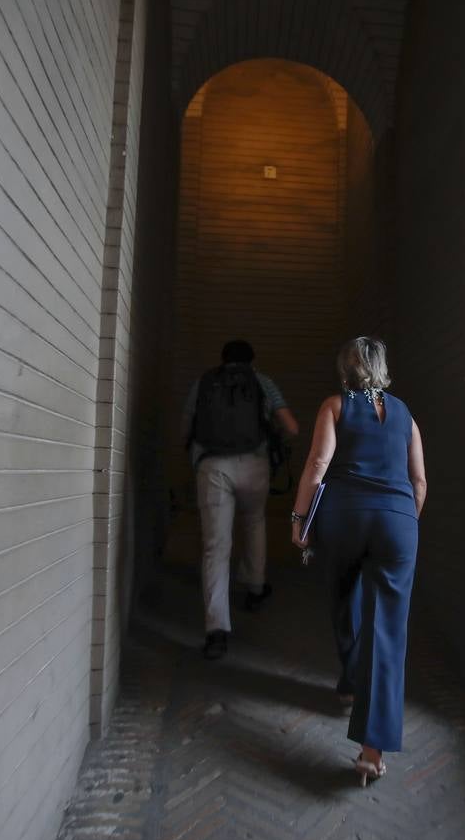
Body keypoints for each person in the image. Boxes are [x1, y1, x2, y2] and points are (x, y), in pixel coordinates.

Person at [290, 337, 427, 786]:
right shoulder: (405, 414)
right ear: (382, 368)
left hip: (344, 519)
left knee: (342, 594)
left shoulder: (335, 405)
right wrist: (402, 520)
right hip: (397, 521)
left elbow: (317, 464)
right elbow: (419, 481)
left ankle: (351, 678)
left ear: (346, 369)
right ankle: (372, 751)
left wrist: (299, 519)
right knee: (388, 630)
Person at [183, 340, 299, 660]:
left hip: (212, 465)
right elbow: (291, 427)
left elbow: (187, 426)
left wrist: (194, 457)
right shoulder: (263, 382)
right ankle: (255, 588)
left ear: (223, 360)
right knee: (254, 523)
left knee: (216, 546)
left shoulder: (204, 382)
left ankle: (216, 631)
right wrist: (275, 439)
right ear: (252, 361)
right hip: (254, 464)